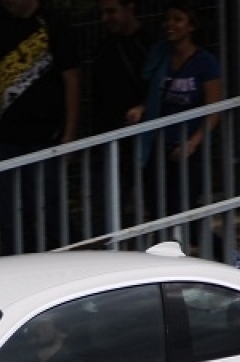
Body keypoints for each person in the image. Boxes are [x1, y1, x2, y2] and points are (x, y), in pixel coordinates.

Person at [0, 0, 81, 255]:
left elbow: (71, 77)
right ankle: (18, 264)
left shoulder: (52, 24)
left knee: (46, 207)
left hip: (44, 136)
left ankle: (70, 260)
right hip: (4, 137)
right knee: (7, 214)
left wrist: (69, 134)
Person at [126, 1, 223, 241]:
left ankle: (227, 256)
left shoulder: (205, 63)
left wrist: (193, 142)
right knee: (159, 213)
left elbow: (214, 110)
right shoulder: (161, 57)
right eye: (168, 19)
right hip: (159, 145)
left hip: (188, 149)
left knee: (184, 215)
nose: (171, 25)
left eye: (178, 19)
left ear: (190, 26)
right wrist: (141, 109)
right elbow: (156, 96)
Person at [89, 0, 151, 231]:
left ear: (130, 8)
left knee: (156, 207)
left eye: (112, 11)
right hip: (107, 141)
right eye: (102, 13)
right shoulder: (103, 48)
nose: (106, 18)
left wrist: (143, 108)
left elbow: (160, 89)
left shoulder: (149, 45)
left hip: (143, 142)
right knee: (103, 214)